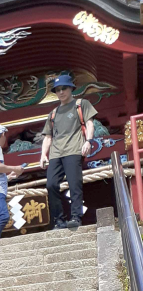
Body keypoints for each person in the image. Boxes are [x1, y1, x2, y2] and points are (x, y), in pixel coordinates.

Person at [40, 73, 96, 230]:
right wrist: (43, 154)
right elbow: (48, 136)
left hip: (74, 149)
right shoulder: (53, 113)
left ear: (71, 88)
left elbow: (90, 124)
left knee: (74, 184)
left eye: (64, 88)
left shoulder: (81, 104)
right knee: (51, 185)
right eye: (57, 90)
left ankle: (76, 217)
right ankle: (59, 220)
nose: (61, 92)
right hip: (56, 153)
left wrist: (88, 141)